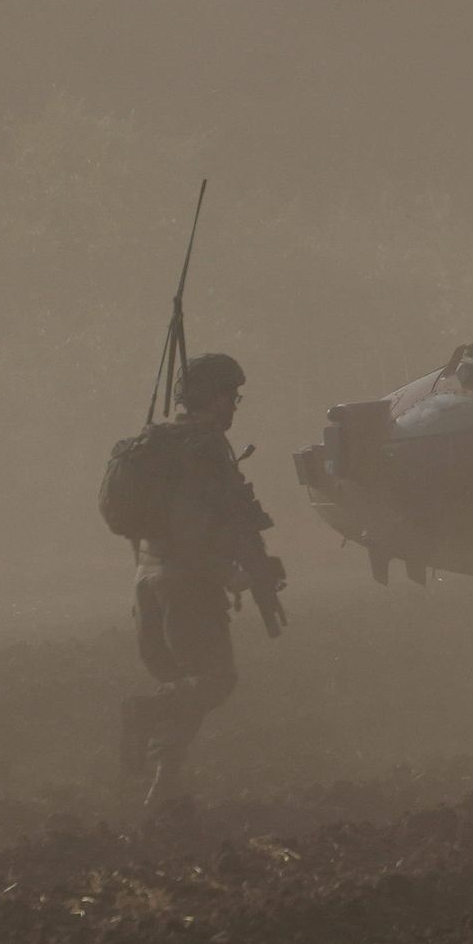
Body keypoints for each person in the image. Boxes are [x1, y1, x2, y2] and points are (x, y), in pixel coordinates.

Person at [111, 351, 285, 821]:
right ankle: (142, 713)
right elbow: (195, 527)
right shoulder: (202, 449)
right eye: (231, 396)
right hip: (186, 585)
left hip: (149, 582)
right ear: (212, 397)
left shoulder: (159, 443)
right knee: (214, 680)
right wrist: (228, 572)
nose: (234, 407)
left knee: (182, 688)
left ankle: (164, 789)